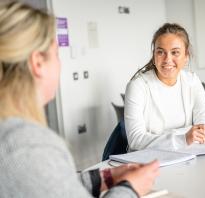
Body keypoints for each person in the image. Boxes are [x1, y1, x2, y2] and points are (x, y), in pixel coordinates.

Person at [0, 1, 159, 198]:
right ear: (38, 63)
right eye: (56, 54)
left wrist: (103, 178)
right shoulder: (25, 146)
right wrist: (130, 188)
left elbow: (47, 184)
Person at [124, 23, 205, 152]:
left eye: (175, 52)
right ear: (154, 55)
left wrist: (161, 137)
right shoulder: (137, 86)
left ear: (186, 56)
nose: (168, 59)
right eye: (160, 52)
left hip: (187, 155)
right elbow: (135, 139)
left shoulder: (192, 81)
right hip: (148, 162)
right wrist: (183, 138)